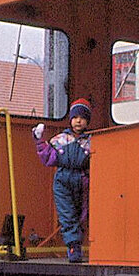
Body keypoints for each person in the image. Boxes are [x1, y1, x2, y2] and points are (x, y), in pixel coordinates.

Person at [33, 97, 92, 263]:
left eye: (82, 118)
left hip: (82, 180)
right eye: (75, 117)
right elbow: (47, 158)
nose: (78, 121)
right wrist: (39, 141)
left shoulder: (90, 141)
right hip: (62, 181)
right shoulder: (60, 139)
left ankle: (77, 242)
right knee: (67, 215)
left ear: (87, 121)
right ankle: (73, 247)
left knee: (82, 214)